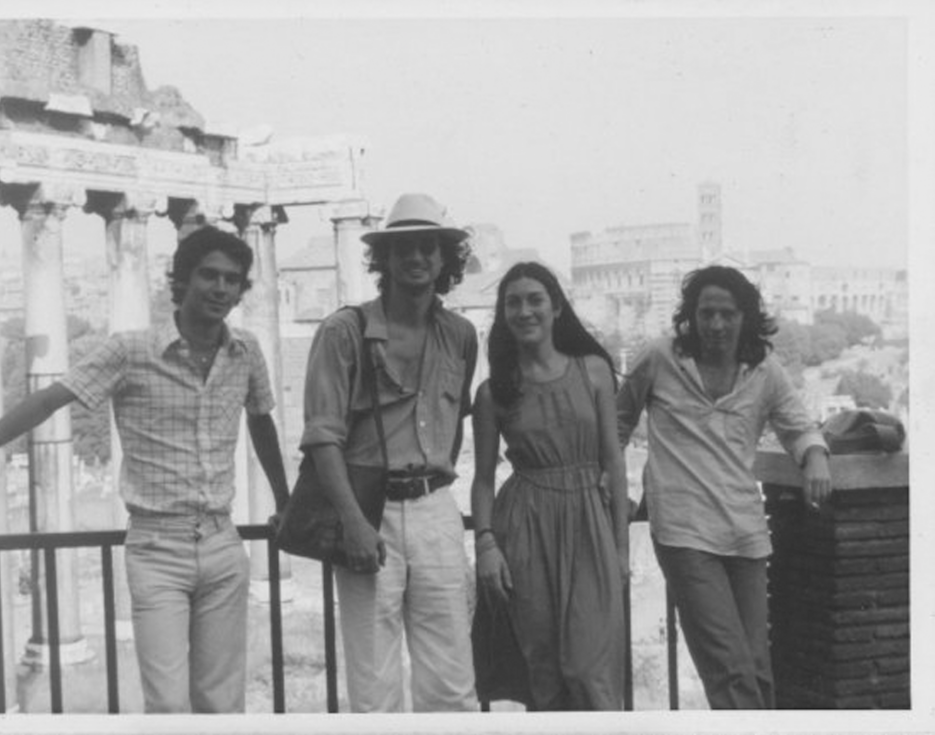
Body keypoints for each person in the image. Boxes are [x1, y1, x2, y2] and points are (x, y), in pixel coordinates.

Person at [0, 226, 290, 714]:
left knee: (222, 702)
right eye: (208, 275)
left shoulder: (246, 350)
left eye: (232, 280)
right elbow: (46, 400)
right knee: (167, 704)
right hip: (156, 548)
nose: (220, 288)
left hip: (223, 543)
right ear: (183, 280)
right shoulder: (132, 350)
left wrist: (286, 500)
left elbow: (262, 423)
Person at [616, 264, 831, 709]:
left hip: (745, 532)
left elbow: (797, 425)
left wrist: (815, 456)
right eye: (706, 313)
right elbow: (615, 425)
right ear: (690, 316)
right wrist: (617, 487)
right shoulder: (659, 358)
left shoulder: (764, 371)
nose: (716, 324)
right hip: (684, 531)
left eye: (727, 313)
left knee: (755, 666)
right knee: (729, 670)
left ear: (744, 317)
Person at [300, 192, 478, 712]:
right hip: (367, 513)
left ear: (445, 258)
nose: (417, 257)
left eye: (428, 247)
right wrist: (354, 522)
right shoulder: (344, 332)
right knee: (374, 687)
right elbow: (321, 438)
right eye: (405, 248)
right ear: (384, 259)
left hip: (436, 510)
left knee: (452, 683)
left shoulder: (462, 335)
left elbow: (454, 425)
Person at [470, 261, 629, 710]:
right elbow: (483, 480)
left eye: (535, 299)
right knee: (543, 672)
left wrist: (620, 549)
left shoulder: (593, 370)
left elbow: (613, 462)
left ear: (556, 306)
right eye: (513, 303)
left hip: (589, 526)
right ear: (502, 315)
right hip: (525, 529)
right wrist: (485, 545)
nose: (525, 311)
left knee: (589, 669)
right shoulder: (492, 392)